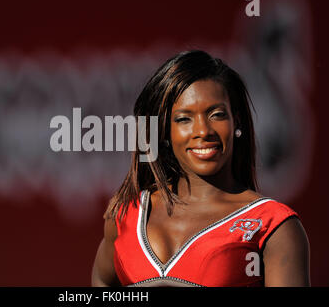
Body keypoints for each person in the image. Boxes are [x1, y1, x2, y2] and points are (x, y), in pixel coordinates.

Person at [91, 50, 310, 287]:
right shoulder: (127, 214)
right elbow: (102, 279)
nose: (203, 131)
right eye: (184, 119)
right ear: (164, 130)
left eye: (216, 114)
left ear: (236, 121)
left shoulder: (273, 225)